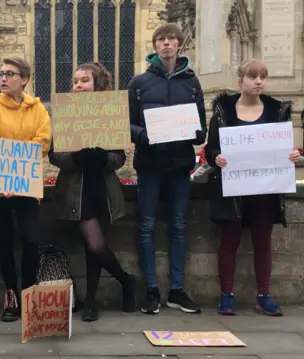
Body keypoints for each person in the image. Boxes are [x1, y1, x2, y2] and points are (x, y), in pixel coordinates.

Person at [205, 59, 300, 316]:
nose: (259, 81)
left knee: (262, 242)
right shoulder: (223, 111)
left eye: (263, 77)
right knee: (229, 241)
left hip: (265, 190)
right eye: (253, 76)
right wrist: (217, 157)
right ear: (240, 81)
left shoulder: (276, 111)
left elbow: (284, 148)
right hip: (233, 189)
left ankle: (264, 295)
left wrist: (292, 155)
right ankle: (227, 295)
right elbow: (211, 147)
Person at [128, 23, 207, 315]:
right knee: (146, 227)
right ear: (155, 46)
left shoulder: (192, 83)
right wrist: (145, 135)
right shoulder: (139, 83)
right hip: (150, 165)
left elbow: (200, 128)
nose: (166, 44)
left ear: (179, 45)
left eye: (171, 39)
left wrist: (192, 132)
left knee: (178, 227)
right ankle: (151, 291)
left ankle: (176, 290)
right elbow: (129, 124)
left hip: (179, 167)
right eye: (161, 39)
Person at [49, 62, 136, 322]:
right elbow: (55, 155)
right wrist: (75, 158)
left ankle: (91, 302)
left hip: (104, 190)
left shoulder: (111, 113)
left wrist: (102, 159)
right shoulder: (64, 113)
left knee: (93, 248)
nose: (77, 86)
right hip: (77, 188)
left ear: (97, 83)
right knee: (95, 243)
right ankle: (126, 280)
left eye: (83, 81)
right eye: (75, 81)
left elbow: (119, 157)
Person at [0, 57, 51, 322]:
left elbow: (42, 142)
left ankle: (29, 293)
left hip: (26, 184)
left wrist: (17, 175)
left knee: (30, 239)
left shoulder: (38, 109)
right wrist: (7, 177)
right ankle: (11, 293)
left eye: (10, 74)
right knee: (4, 239)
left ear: (24, 79)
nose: (3, 78)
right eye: (1, 73)